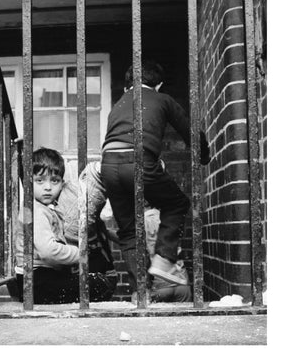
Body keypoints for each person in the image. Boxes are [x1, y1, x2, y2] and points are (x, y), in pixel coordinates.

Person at [100, 60, 210, 296]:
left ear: (126, 87)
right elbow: (189, 131)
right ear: (158, 85)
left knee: (129, 231)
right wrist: (204, 155)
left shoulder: (118, 104)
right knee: (177, 203)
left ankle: (140, 291)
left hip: (108, 165)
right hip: (138, 161)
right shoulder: (162, 99)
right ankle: (163, 258)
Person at [14, 148, 114, 304]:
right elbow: (48, 251)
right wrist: (80, 254)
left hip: (41, 278)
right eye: (40, 180)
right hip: (35, 281)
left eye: (54, 180)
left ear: (62, 183)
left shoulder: (46, 208)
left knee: (95, 279)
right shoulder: (35, 211)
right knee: (98, 285)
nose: (47, 187)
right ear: (28, 182)